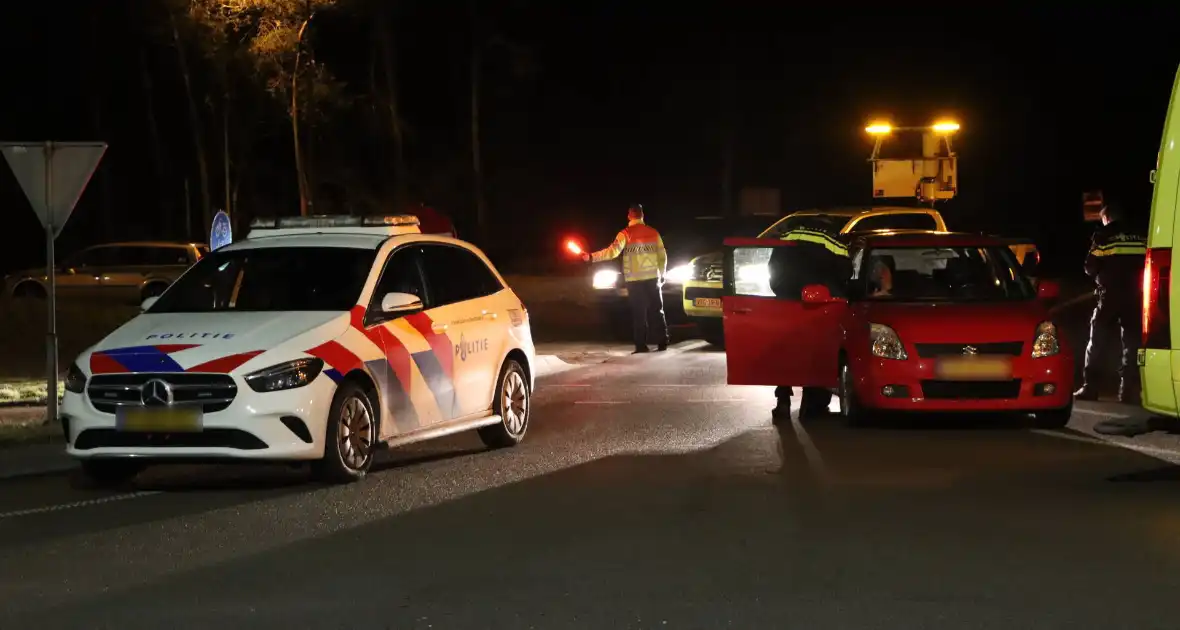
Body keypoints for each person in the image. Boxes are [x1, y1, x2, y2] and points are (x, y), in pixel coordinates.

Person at [766, 219, 853, 421]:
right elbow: (845, 271)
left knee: (787, 351)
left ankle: (783, 401)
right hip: (820, 305)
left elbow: (773, 270)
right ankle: (812, 406)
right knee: (818, 352)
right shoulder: (831, 236)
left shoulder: (789, 234)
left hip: (787, 302)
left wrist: (784, 292)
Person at [1075, 202, 1147, 403]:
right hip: (1136, 296)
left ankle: (1090, 388)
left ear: (1106, 218)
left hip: (1109, 297)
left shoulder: (1104, 236)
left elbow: (1090, 267)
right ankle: (1129, 391)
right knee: (1132, 343)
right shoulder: (1141, 235)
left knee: (1097, 341)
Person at [583, 204, 670, 353]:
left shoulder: (625, 233)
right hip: (652, 278)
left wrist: (591, 257)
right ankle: (663, 342)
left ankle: (641, 345)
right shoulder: (653, 233)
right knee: (657, 310)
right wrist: (662, 274)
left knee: (639, 313)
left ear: (629, 216)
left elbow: (612, 252)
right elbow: (662, 257)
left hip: (634, 280)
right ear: (642, 215)